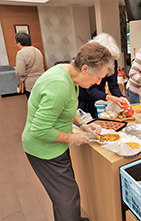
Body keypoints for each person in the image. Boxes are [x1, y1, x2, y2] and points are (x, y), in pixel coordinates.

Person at [22, 42, 113, 221]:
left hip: (55, 146)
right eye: (97, 78)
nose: (98, 83)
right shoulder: (59, 86)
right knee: (67, 198)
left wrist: (83, 125)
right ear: (85, 68)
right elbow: (39, 130)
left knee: (65, 194)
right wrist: (72, 138)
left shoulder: (69, 74)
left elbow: (67, 110)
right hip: (43, 150)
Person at [78, 33, 126, 118]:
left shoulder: (112, 62)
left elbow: (113, 86)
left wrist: (122, 99)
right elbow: (91, 89)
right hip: (84, 101)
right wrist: (110, 98)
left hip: (100, 101)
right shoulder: (89, 62)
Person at [15, 32, 44, 99]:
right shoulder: (37, 50)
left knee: (33, 105)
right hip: (42, 80)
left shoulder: (21, 53)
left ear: (19, 43)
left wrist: (17, 69)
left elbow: (20, 72)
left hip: (30, 84)